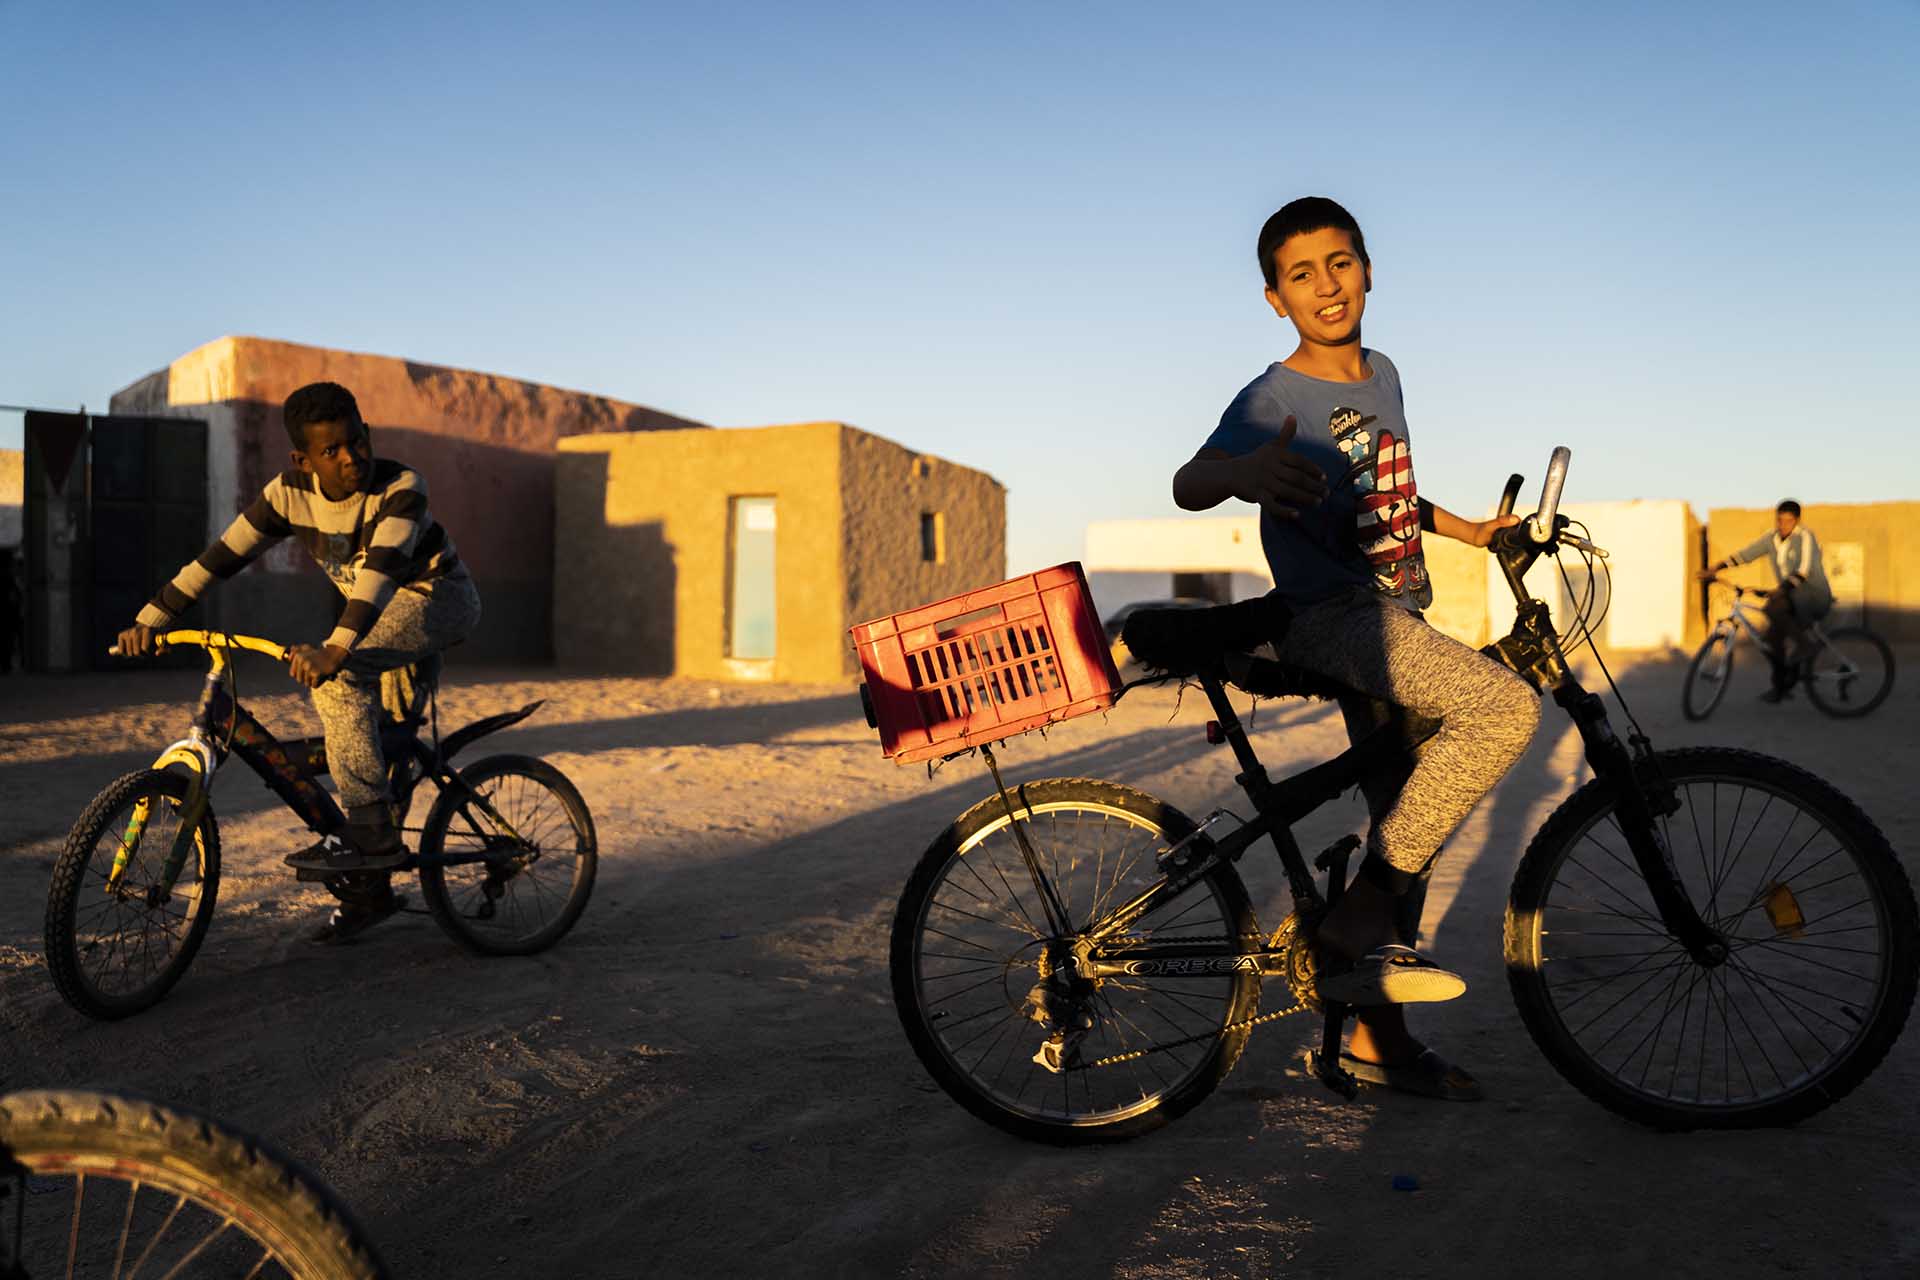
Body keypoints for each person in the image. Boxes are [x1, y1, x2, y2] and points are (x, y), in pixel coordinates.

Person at [1164, 197, 1541, 1099]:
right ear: (1274, 299)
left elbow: (1386, 490)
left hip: (1397, 615)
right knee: (1504, 708)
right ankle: (1362, 909)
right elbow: (1188, 481)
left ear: (1369, 268)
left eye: (1339, 263)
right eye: (1302, 274)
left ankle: (1378, 1037)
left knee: (1411, 822)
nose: (1325, 286)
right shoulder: (1274, 396)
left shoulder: (1385, 374)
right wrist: (1243, 473)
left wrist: (1473, 533)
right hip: (1337, 616)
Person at [117, 381, 481, 942]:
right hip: (374, 617)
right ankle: (371, 889)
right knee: (378, 739)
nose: (350, 459)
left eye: (356, 441)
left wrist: (337, 650)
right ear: (302, 459)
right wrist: (150, 619)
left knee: (337, 683)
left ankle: (371, 838)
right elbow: (219, 558)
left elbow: (381, 574)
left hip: (438, 600)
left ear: (367, 433)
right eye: (330, 451)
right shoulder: (288, 494)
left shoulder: (402, 485)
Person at [1699, 500, 1832, 702]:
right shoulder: (1771, 539)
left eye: (1789, 521)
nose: (1783, 525)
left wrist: (1780, 591)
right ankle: (1781, 687)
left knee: (1773, 608)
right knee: (1772, 640)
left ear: (1797, 521)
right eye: (1780, 520)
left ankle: (1806, 646)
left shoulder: (1805, 537)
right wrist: (1717, 568)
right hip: (1791, 597)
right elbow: (1746, 555)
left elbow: (1803, 571)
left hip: (1813, 596)